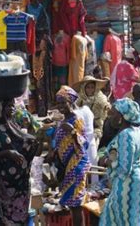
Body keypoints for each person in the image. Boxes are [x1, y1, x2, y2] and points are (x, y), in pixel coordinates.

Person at [99, 98, 140, 225]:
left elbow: (124, 167)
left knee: (126, 219)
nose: (110, 116)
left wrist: (106, 161)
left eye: (113, 113)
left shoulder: (126, 135)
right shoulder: (135, 131)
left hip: (128, 183)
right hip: (138, 179)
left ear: (122, 116)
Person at [0, 99, 38, 225]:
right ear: (0, 107)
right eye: (8, 105)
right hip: (0, 181)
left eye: (13, 105)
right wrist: (7, 153)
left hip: (18, 183)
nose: (12, 108)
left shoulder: (13, 125)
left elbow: (23, 143)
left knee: (19, 216)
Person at [49, 86, 91, 225]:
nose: (60, 106)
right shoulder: (62, 121)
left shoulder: (76, 120)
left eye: (63, 102)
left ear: (70, 102)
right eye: (58, 103)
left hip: (77, 165)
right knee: (71, 204)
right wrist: (54, 152)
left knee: (75, 204)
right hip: (66, 165)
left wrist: (73, 132)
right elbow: (61, 143)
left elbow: (84, 144)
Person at [74, 76, 111, 145]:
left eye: (92, 87)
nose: (90, 90)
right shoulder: (80, 97)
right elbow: (74, 107)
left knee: (93, 143)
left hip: (96, 125)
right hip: (82, 125)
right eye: (88, 87)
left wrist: (107, 107)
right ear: (84, 88)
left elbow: (105, 103)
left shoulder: (100, 96)